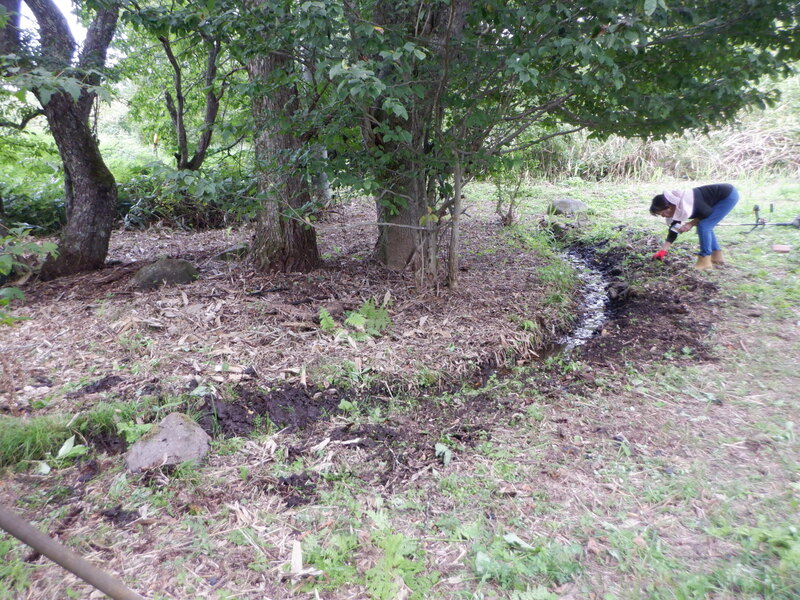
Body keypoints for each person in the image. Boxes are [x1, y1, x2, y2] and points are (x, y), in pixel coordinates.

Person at [649, 183, 739, 270]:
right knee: (705, 225)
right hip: (716, 200)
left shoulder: (688, 201)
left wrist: (690, 224)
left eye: (662, 213)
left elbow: (707, 213)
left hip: (727, 195)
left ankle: (705, 261)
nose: (663, 216)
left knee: (704, 225)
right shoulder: (676, 208)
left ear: (668, 207)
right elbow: (674, 229)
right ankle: (717, 257)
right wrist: (663, 251)